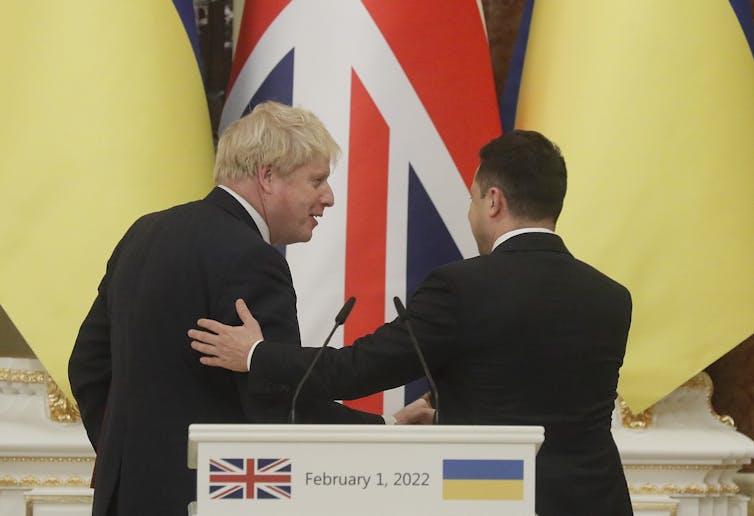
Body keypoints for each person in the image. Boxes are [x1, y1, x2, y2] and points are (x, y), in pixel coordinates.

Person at [188, 130, 634, 515]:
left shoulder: (461, 287)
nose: (470, 212)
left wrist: (255, 354)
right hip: (596, 501)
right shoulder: (613, 298)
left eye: (472, 199)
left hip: (491, 498)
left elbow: (357, 370)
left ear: (493, 200)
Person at [68, 101, 395, 516]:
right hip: (210, 499)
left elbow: (87, 366)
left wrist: (127, 459)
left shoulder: (144, 233)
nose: (328, 197)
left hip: (124, 498)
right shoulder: (253, 259)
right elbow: (278, 401)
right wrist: (387, 431)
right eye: (317, 180)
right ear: (268, 175)